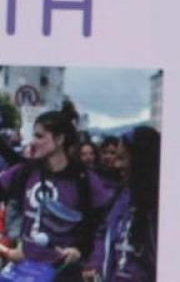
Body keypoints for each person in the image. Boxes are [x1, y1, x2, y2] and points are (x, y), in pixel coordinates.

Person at [0, 111, 112, 282]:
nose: (33, 142)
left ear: (59, 139)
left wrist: (82, 251)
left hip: (65, 273)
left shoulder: (84, 179)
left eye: (39, 136)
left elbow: (102, 225)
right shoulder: (26, 171)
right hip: (24, 269)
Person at [84, 127, 159, 282]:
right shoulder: (122, 196)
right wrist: (96, 264)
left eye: (123, 158)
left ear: (140, 160)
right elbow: (104, 233)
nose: (117, 165)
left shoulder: (161, 206)